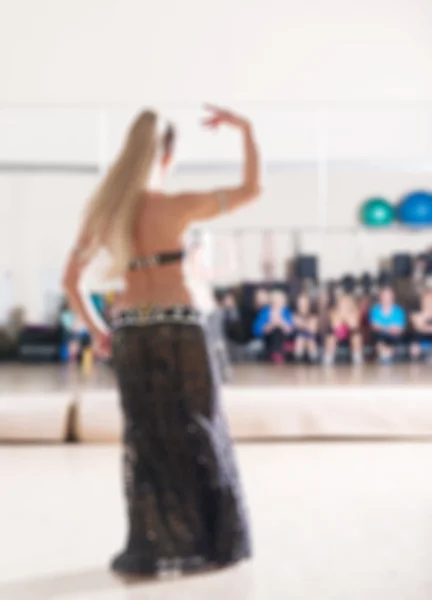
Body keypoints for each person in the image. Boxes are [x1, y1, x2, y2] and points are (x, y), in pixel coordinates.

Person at [62, 105, 260, 577]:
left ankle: (158, 544)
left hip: (131, 330)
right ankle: (214, 543)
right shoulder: (177, 205)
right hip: (180, 325)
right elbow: (253, 189)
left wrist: (97, 330)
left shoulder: (105, 213)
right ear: (166, 155)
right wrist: (247, 131)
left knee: (147, 438)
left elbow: (72, 282)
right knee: (201, 428)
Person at [253, 290, 294, 364]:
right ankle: (278, 352)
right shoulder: (265, 311)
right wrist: (269, 326)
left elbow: (291, 330)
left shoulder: (287, 312)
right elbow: (256, 330)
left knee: (278, 329)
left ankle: (278, 352)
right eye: (275, 301)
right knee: (275, 330)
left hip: (283, 336)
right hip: (268, 338)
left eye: (279, 301)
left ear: (283, 302)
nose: (277, 303)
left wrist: (282, 323)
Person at [369, 286, 407, 364]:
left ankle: (388, 353)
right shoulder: (375, 310)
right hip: (380, 335)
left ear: (393, 297)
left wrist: (385, 328)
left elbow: (400, 328)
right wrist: (388, 328)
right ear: (380, 297)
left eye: (389, 296)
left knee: (397, 337)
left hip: (395, 336)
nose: (386, 298)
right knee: (378, 337)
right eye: (384, 296)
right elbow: (374, 326)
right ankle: (384, 353)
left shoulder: (399, 310)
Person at [324, 293, 363, 365]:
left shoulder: (355, 312)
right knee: (330, 337)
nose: (344, 305)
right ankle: (328, 359)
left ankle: (357, 358)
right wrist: (342, 316)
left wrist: (345, 317)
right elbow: (334, 326)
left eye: (346, 303)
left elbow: (353, 326)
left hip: (349, 337)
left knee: (357, 337)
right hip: (337, 337)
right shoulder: (333, 312)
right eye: (342, 303)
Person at [293, 292, 319, 362]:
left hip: (310, 336)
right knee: (300, 340)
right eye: (300, 303)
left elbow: (313, 329)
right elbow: (296, 325)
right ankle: (298, 360)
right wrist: (306, 325)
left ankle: (313, 360)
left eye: (304, 303)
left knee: (311, 341)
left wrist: (303, 325)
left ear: (308, 304)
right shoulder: (295, 314)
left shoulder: (313, 314)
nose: (302, 305)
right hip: (299, 336)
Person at [409, 288, 432, 360]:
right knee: (414, 348)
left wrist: (424, 327)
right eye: (426, 301)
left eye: (430, 300)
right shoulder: (416, 314)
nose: (428, 303)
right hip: (420, 347)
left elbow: (421, 328)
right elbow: (417, 327)